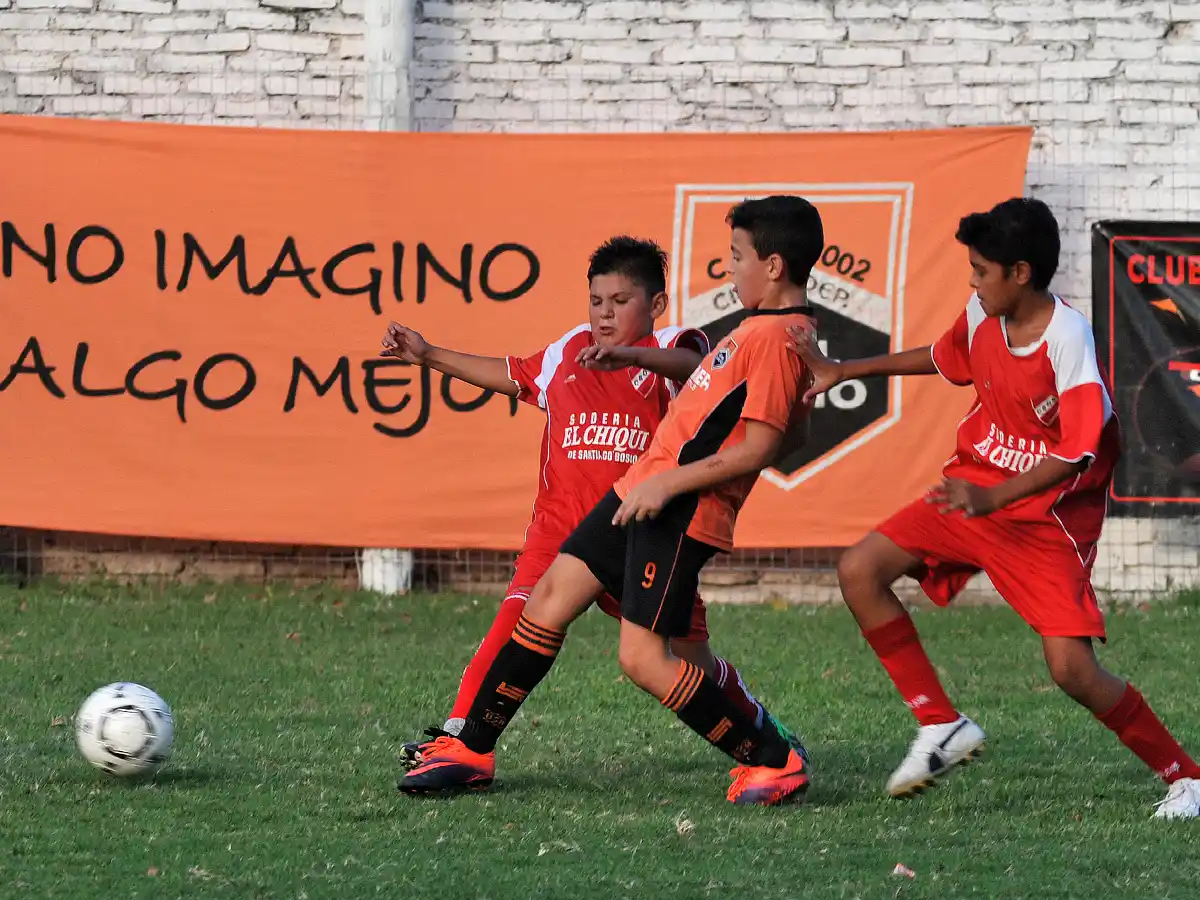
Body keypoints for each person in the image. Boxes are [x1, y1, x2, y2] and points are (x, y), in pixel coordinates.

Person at [400, 197, 822, 806]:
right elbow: (792, 431)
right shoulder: (765, 331)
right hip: (635, 495)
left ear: (774, 265)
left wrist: (668, 482)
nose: (728, 269)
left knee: (647, 659)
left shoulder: (779, 334)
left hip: (667, 506)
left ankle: (772, 756)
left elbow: (761, 446)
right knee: (544, 601)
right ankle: (469, 751)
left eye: (736, 257)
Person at [790, 197, 1200, 819]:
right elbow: (940, 356)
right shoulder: (983, 314)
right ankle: (940, 724)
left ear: (1021, 273)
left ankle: (1186, 778)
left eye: (982, 270)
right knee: (860, 569)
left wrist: (993, 497)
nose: (972, 282)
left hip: (1044, 523)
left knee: (1071, 671)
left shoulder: (1067, 338)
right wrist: (845, 368)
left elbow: (1077, 454)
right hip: (971, 493)